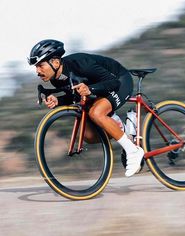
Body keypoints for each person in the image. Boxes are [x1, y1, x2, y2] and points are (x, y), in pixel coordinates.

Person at [28, 39, 144, 177]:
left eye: (40, 65)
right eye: (36, 67)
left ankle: (133, 151)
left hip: (120, 80)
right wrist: (57, 101)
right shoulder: (55, 78)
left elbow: (113, 83)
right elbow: (75, 96)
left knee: (96, 113)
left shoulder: (80, 64)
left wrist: (90, 89)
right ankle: (125, 129)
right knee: (88, 136)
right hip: (102, 88)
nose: (37, 71)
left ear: (56, 62)